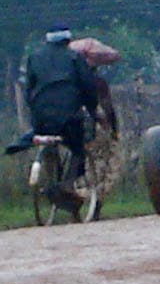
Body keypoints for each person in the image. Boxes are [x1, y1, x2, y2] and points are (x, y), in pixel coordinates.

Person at [20, 25, 100, 189]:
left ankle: (52, 181)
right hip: (69, 117)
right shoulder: (74, 57)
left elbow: (28, 91)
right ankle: (68, 185)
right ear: (68, 40)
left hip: (41, 118)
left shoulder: (33, 58)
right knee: (78, 147)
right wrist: (92, 110)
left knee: (48, 143)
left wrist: (35, 112)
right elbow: (88, 86)